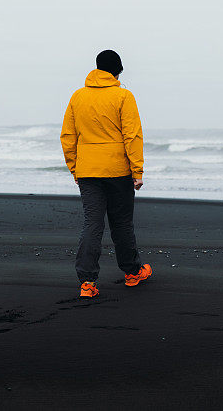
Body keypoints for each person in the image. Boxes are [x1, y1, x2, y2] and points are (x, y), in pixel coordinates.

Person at [60, 49, 152, 298]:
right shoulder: (123, 96)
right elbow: (132, 135)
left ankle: (87, 283)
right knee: (121, 223)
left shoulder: (77, 97)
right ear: (118, 70)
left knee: (93, 224)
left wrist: (74, 167)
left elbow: (68, 136)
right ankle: (133, 273)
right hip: (118, 171)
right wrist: (137, 170)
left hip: (88, 171)